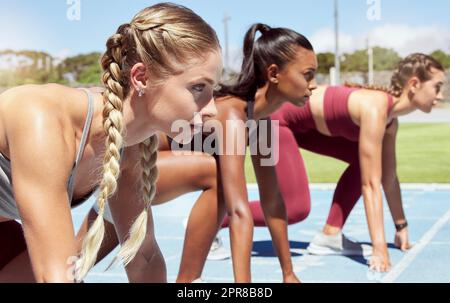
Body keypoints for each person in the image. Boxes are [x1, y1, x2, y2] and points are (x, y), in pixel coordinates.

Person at [80, 23, 318, 283]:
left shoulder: (263, 123)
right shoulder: (233, 114)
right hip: (137, 165)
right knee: (216, 176)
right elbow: (238, 210)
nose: (314, 84)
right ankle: (189, 281)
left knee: (71, 267)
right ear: (274, 73)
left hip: (140, 176)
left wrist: (288, 273)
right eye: (308, 74)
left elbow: (273, 202)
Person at [0, 3, 221, 283]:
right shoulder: (41, 119)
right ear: (141, 78)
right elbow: (53, 277)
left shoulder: (130, 149)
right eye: (198, 87)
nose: (212, 109)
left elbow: (144, 258)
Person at [221, 53, 446, 272]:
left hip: (302, 127)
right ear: (414, 84)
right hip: (276, 119)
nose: (441, 95)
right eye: (437, 86)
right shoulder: (375, 107)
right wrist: (379, 249)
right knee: (295, 208)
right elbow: (370, 184)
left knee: (369, 163)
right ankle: (217, 219)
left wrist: (401, 225)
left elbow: (388, 177)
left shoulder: (390, 122)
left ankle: (331, 234)